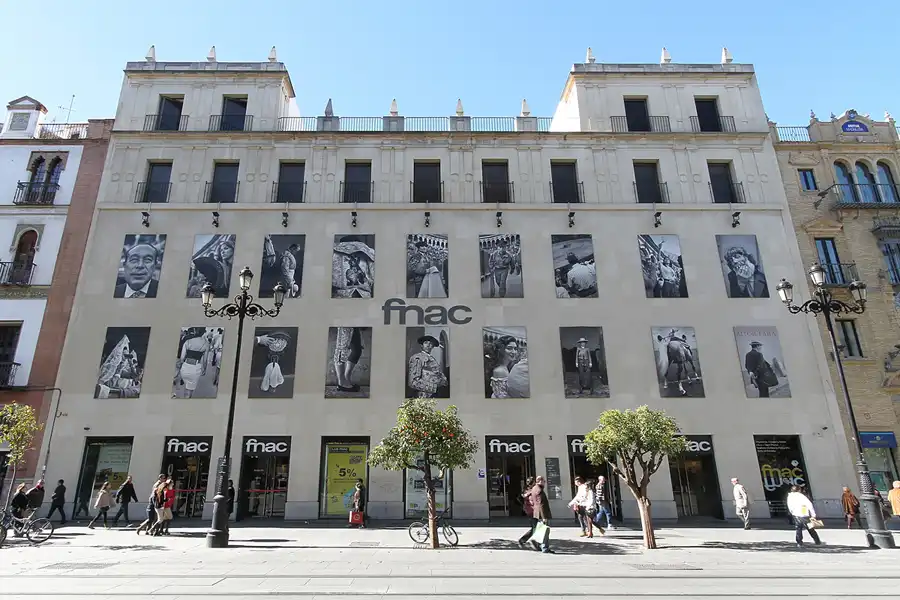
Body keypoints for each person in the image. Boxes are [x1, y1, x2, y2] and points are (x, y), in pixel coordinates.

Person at [528, 475, 554, 554]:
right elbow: (541, 504)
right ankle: (544, 547)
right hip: (541, 513)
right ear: (540, 481)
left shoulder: (534, 488)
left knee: (540, 529)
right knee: (545, 530)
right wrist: (544, 517)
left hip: (537, 512)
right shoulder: (539, 490)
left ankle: (538, 544)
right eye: (544, 481)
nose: (544, 483)